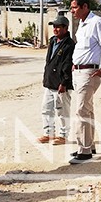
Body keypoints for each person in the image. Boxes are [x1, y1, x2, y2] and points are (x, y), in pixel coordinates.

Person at [68, 0, 101, 164]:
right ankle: (89, 146)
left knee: (81, 110)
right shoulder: (81, 24)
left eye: (74, 7)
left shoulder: (97, 22)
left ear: (85, 6)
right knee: (87, 109)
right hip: (79, 72)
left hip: (89, 73)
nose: (72, 11)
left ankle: (84, 150)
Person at [38, 15, 75, 146]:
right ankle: (49, 133)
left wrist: (64, 83)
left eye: (58, 27)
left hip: (61, 84)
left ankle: (63, 135)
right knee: (46, 109)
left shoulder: (69, 45)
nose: (55, 29)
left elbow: (67, 64)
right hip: (50, 82)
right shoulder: (53, 41)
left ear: (65, 28)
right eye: (54, 26)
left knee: (62, 110)